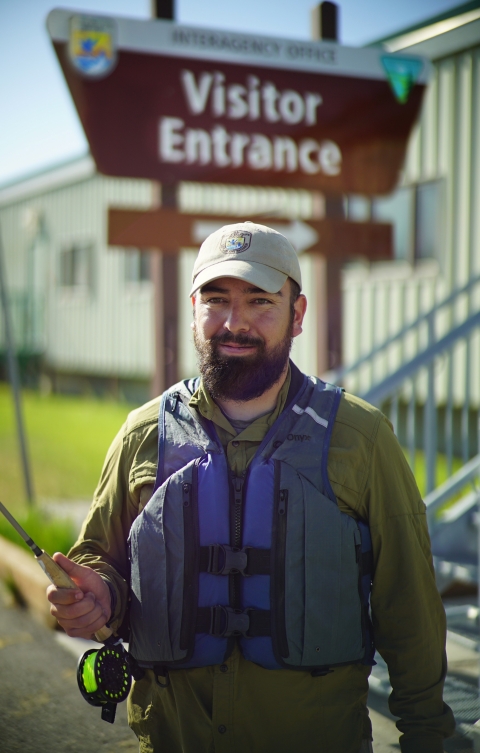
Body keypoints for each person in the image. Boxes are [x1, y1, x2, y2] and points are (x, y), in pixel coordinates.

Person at [47, 221, 455, 753]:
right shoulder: (142, 435)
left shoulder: (363, 438)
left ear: (298, 314)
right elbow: (100, 563)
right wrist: (97, 597)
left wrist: (426, 735)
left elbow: (411, 608)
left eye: (260, 301)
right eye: (216, 300)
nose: (234, 323)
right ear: (194, 307)